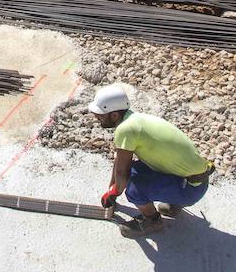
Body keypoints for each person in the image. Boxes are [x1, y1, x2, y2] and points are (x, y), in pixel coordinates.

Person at [88, 84, 213, 234]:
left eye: (101, 115)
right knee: (135, 170)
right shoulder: (135, 119)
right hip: (196, 181)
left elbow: (121, 175)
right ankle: (174, 204)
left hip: (191, 190)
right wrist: (111, 190)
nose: (97, 119)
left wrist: (114, 193)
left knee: (134, 190)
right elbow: (120, 163)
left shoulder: (125, 130)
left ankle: (152, 221)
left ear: (114, 115)